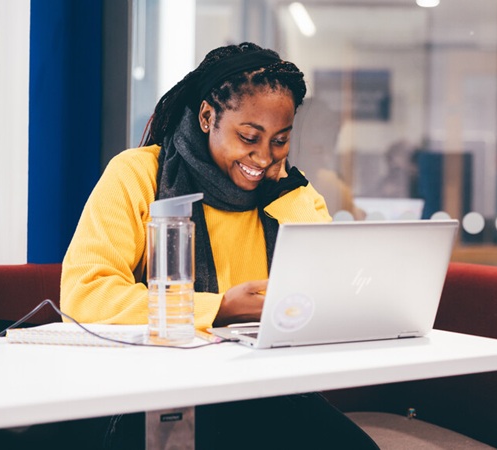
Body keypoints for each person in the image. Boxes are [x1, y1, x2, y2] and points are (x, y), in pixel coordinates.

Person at [54, 42, 377, 449]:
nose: (262, 158)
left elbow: (328, 288)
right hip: (156, 392)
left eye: (280, 140)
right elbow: (85, 295)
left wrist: (285, 194)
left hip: (266, 390)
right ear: (208, 116)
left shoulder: (291, 193)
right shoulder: (138, 176)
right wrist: (217, 308)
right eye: (249, 136)